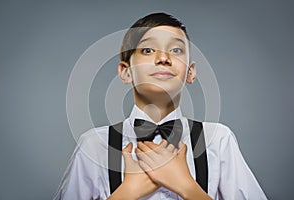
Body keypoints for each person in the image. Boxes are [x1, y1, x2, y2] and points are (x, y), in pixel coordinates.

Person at [54, 12, 267, 200]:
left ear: (190, 72)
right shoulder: (94, 146)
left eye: (176, 50)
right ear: (125, 72)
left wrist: (187, 187)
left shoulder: (218, 140)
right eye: (147, 50)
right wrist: (126, 193)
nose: (163, 58)